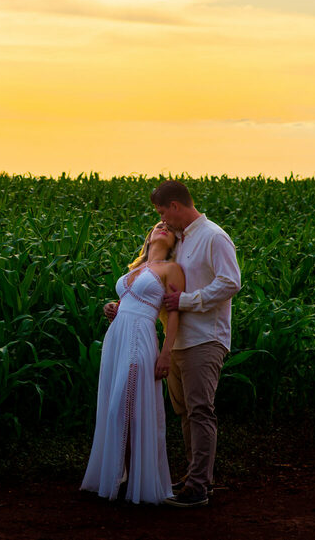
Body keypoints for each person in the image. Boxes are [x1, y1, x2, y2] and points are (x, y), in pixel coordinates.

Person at [80, 221, 185, 504]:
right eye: (158, 225)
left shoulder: (172, 269)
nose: (163, 227)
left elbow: (174, 314)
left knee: (125, 408)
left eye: (169, 228)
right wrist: (112, 307)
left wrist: (167, 353)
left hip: (141, 337)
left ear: (175, 241)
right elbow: (128, 300)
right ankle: (120, 474)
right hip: (117, 337)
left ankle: (131, 477)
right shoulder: (135, 269)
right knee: (116, 406)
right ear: (149, 235)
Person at [152, 179, 241, 508]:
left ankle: (199, 488)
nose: (163, 220)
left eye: (163, 212)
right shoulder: (183, 239)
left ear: (176, 206)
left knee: (200, 411)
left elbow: (231, 282)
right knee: (186, 412)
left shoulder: (213, 237)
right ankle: (195, 477)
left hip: (206, 337)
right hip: (180, 340)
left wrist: (188, 301)